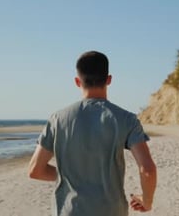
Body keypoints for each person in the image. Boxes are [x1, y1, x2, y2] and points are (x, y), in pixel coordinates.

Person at [28, 51, 157, 216]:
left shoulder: (58, 119)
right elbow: (148, 169)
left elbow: (35, 170)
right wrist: (147, 202)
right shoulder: (127, 119)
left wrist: (71, 177)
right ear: (109, 80)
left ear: (77, 81)